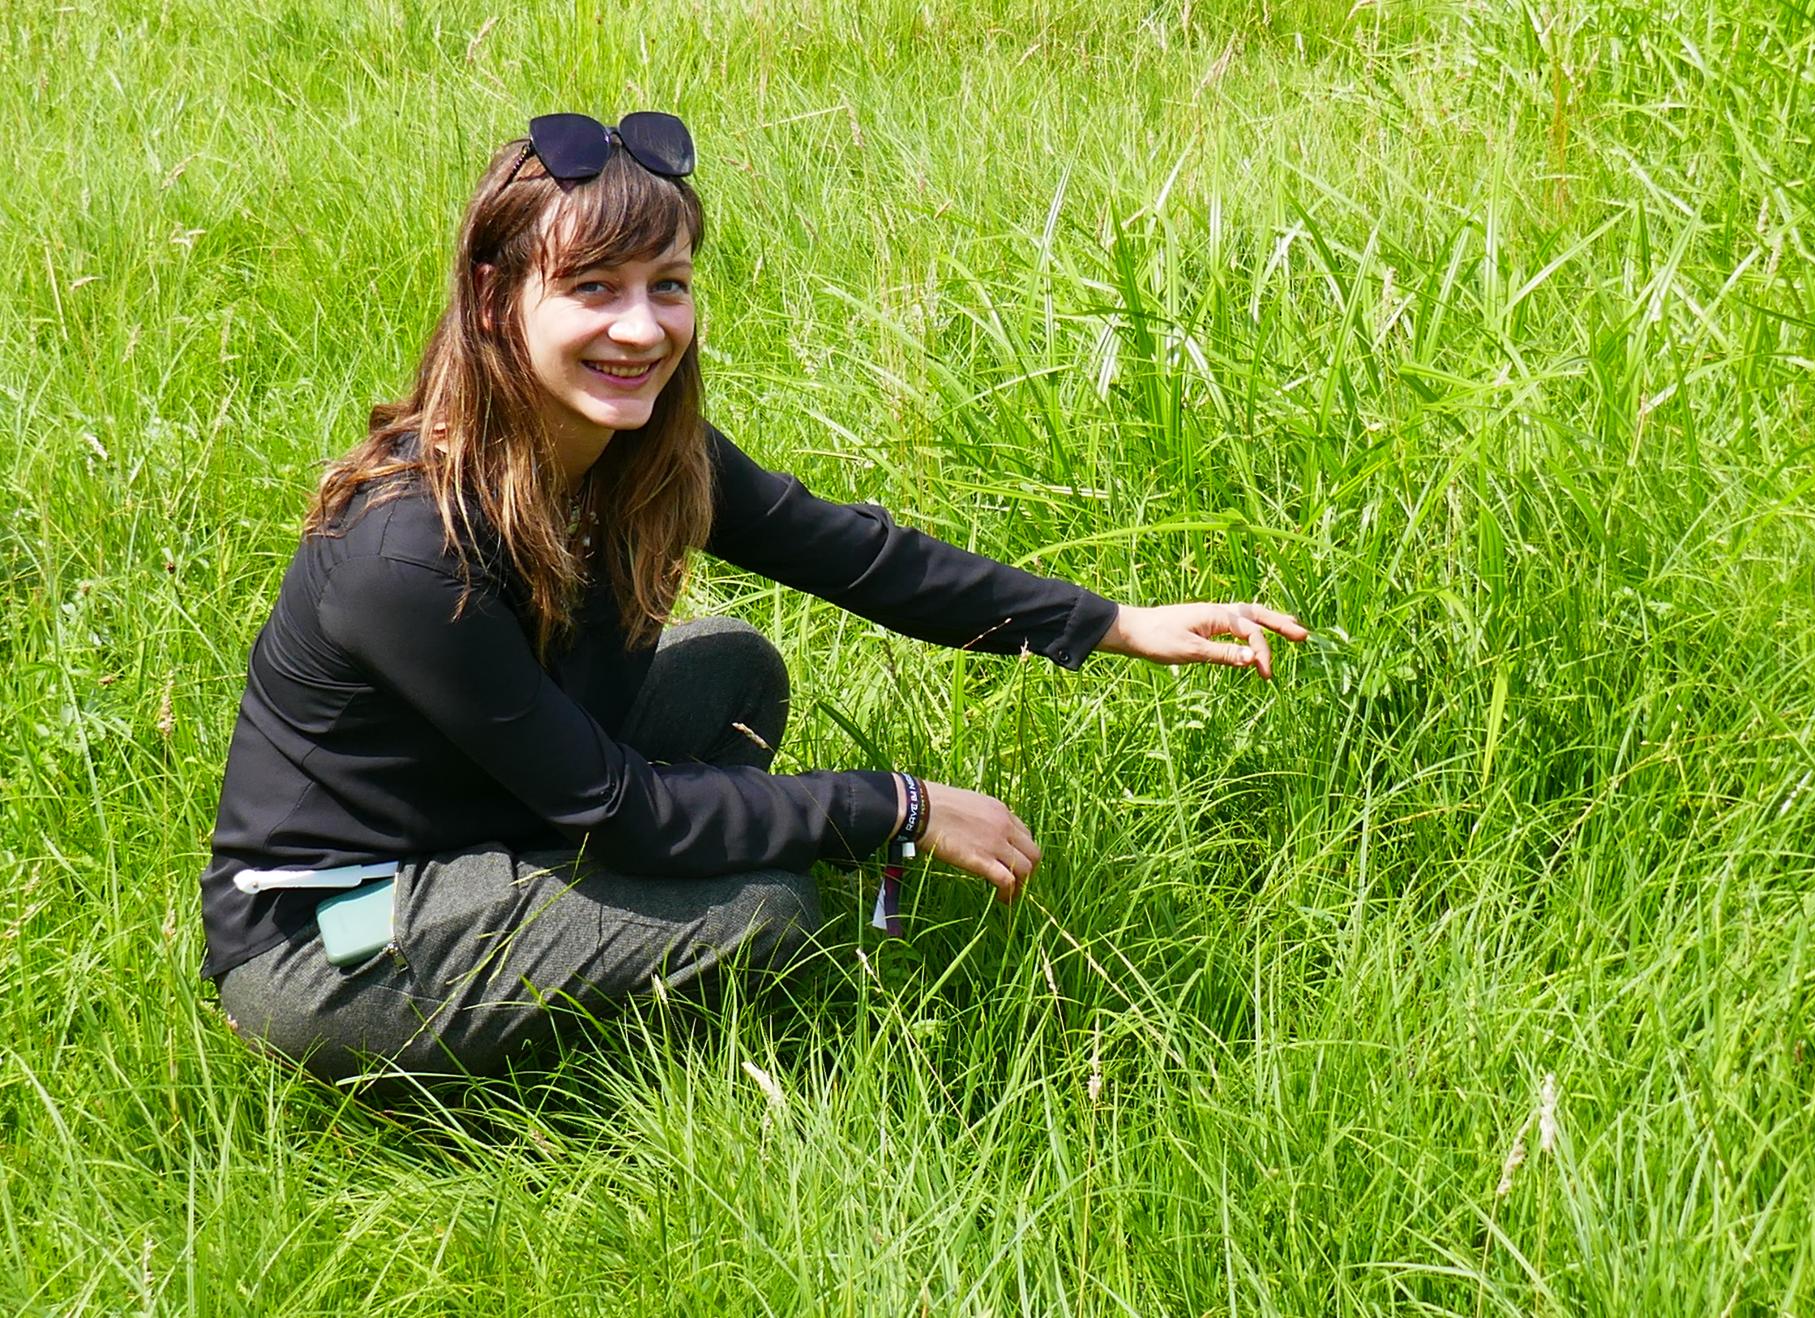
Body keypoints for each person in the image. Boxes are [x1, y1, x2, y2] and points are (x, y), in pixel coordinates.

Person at [200, 112, 1307, 1083]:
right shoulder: (408, 550)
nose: (642, 330)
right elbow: (621, 808)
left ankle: (586, 924)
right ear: (494, 299)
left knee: (731, 668)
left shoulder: (640, 454)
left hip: (485, 809)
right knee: (759, 908)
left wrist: (1108, 623)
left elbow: (857, 557)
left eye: (666, 287)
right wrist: (899, 805)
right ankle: (594, 1058)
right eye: (592, 288)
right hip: (329, 940)